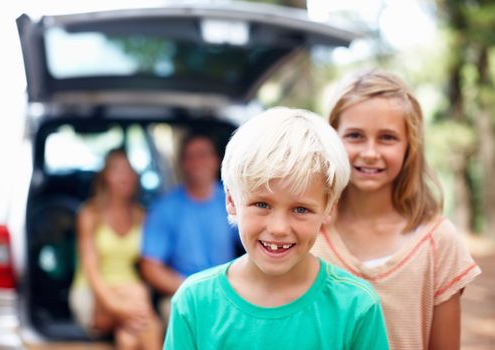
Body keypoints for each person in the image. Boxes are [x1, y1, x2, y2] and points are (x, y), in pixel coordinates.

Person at [164, 107, 390, 349]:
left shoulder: (356, 307)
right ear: (231, 201)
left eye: (301, 209)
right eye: (262, 204)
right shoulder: (195, 302)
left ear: (329, 209)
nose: (279, 228)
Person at [311, 69, 482, 350]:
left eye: (387, 138)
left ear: (409, 146)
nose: (370, 152)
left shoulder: (438, 242)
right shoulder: (309, 233)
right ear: (333, 139)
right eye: (354, 135)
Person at [69, 149, 163, 350]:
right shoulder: (89, 214)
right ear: (105, 177)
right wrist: (119, 307)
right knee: (145, 316)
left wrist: (129, 310)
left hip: (132, 294)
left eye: (129, 170)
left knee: (129, 338)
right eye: (117, 170)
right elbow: (92, 272)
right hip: (93, 292)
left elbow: (149, 263)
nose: (125, 176)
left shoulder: (142, 215)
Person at [140, 132, 239, 318]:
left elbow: (254, 243)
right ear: (182, 164)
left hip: (229, 290)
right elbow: (150, 267)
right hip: (182, 292)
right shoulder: (165, 208)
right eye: (190, 157)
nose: (197, 162)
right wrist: (195, 291)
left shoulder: (233, 201)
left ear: (216, 160)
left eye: (203, 155)